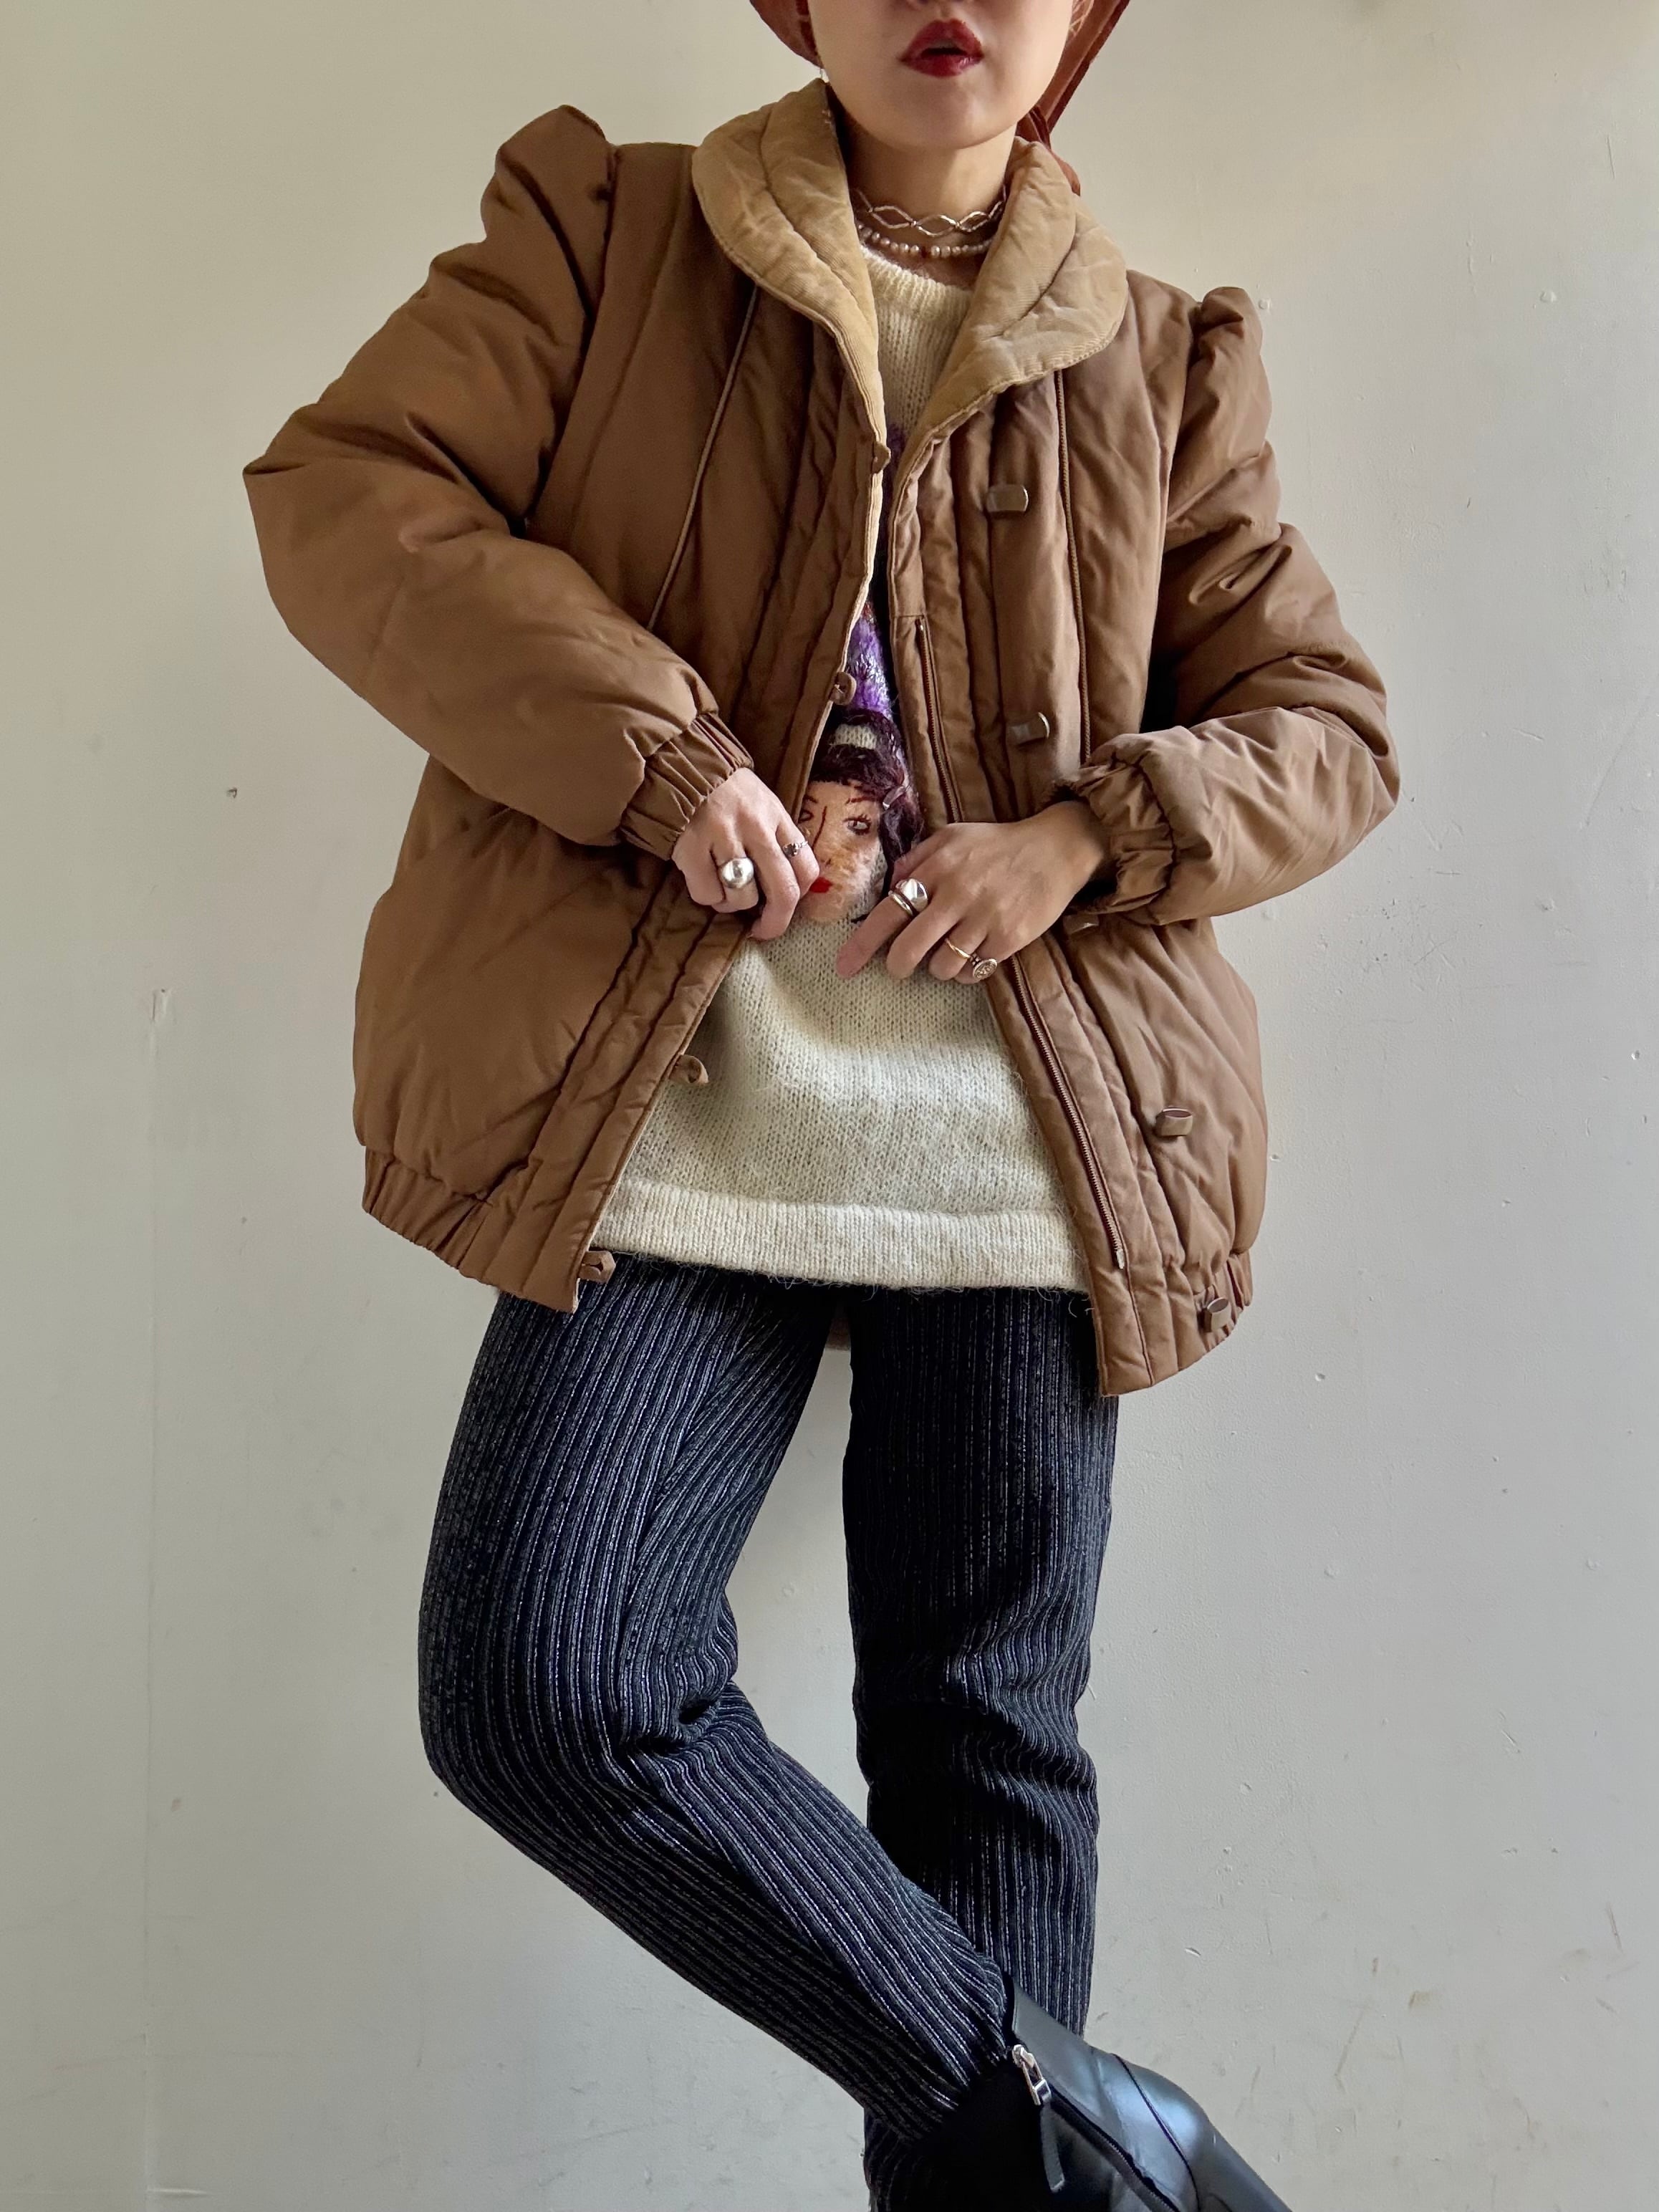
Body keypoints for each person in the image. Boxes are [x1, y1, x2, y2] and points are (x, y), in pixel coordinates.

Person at [241, 1, 1398, 2204]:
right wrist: (656, 758)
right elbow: (348, 498)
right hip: (669, 1126)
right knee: (549, 1688)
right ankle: (1095, 2131)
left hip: (1032, 1165)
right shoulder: (606, 238)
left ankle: (1051, 2142)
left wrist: (1082, 838)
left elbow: (1323, 723)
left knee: (982, 1758)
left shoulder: (1167, 360)